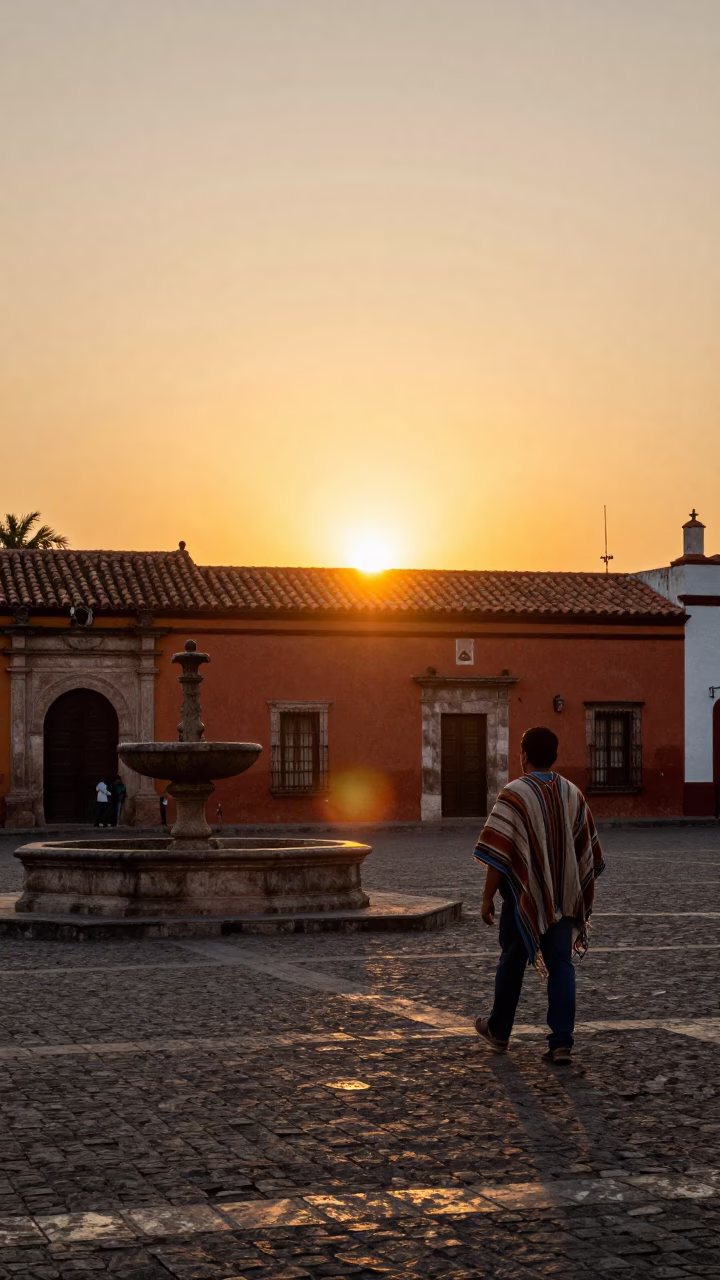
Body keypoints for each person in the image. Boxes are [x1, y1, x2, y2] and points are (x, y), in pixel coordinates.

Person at [473, 726, 605, 1065]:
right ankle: (561, 1043)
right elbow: (588, 852)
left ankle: (499, 1031)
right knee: (561, 965)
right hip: (565, 898)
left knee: (512, 961)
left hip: (524, 899)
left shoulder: (514, 795)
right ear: (554, 756)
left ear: (524, 755)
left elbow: (500, 852)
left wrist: (487, 898)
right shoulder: (573, 794)